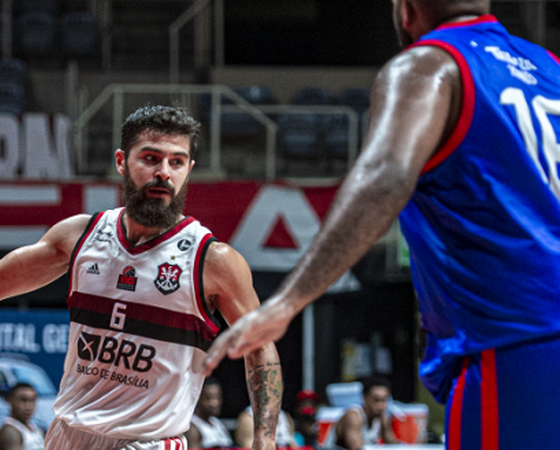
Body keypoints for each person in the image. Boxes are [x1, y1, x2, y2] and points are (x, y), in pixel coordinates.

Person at [203, 0, 560, 448]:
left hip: (515, 341)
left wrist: (287, 302)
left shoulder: (429, 65)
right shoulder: (549, 66)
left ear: (405, 10)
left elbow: (384, 177)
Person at [0, 105, 283, 450]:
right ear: (122, 161)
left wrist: (264, 441)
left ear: (189, 168)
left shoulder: (214, 260)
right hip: (66, 435)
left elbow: (260, 350)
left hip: (147, 441)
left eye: (176, 162)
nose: (163, 173)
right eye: (151, 158)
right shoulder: (81, 235)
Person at [324, 377, 398, 450]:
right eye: (376, 400)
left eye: (384, 400)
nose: (381, 405)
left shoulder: (382, 418)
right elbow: (357, 448)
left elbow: (393, 446)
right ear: (365, 398)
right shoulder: (353, 416)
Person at [185, 378, 234, 449]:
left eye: (217, 397)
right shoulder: (192, 427)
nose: (215, 403)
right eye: (209, 398)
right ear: (198, 398)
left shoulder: (218, 423)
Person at [0, 383, 44, 450]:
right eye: (23, 400)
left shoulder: (35, 428)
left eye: (32, 400)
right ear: (10, 401)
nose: (28, 406)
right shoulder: (10, 431)